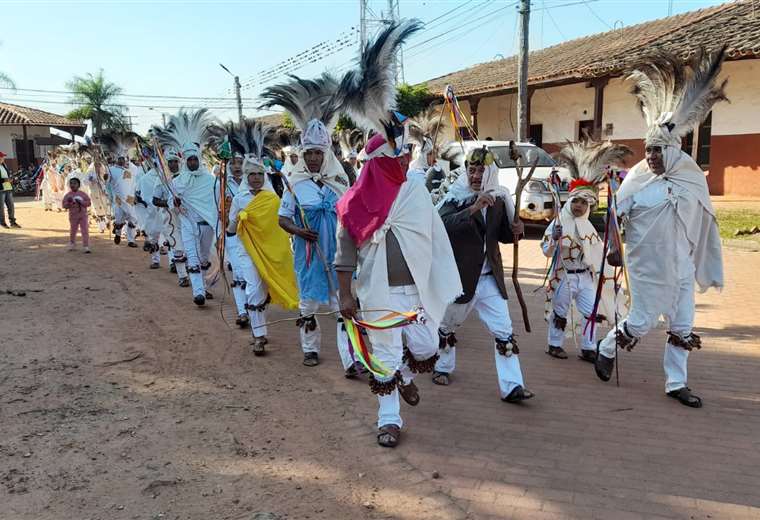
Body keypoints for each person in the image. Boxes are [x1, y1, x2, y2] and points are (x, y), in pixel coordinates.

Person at [336, 18, 462, 447]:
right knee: (385, 353)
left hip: (416, 289)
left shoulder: (414, 191)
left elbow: (433, 238)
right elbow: (346, 246)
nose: (400, 161)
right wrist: (345, 293)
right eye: (389, 158)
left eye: (401, 155)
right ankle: (389, 419)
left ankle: (408, 372)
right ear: (372, 162)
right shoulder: (357, 196)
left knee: (426, 346)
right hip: (377, 291)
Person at [594, 47, 726, 409]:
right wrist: (614, 246)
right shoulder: (636, 182)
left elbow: (706, 220)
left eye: (657, 151)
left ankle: (676, 383)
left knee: (682, 325)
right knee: (641, 321)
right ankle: (607, 348)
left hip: (681, 265)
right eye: (648, 150)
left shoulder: (690, 178)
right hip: (648, 265)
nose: (651, 157)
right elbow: (614, 217)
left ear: (672, 151)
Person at [262, 76, 353, 371]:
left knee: (343, 306)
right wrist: (300, 231)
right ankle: (310, 350)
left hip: (338, 254)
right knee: (309, 306)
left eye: (318, 153)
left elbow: (350, 217)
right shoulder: (294, 184)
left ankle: (350, 360)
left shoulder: (340, 182)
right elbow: (282, 218)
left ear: (326, 154)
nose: (314, 158)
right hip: (309, 253)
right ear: (302, 154)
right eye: (309, 153)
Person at [431, 146, 533, 403]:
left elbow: (503, 236)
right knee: (447, 326)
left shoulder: (499, 199)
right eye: (471, 170)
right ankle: (442, 367)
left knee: (504, 331)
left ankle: (512, 387)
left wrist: (516, 230)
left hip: (489, 279)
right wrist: (473, 208)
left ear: (491, 173)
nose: (475, 176)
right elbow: (443, 226)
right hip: (461, 277)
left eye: (481, 170)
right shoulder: (454, 196)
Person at [542, 141, 631, 361]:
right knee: (560, 312)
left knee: (591, 312)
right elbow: (546, 250)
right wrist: (554, 241)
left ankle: (588, 348)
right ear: (570, 200)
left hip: (585, 277)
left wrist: (613, 253)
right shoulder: (559, 222)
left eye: (583, 202)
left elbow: (598, 254)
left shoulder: (590, 226)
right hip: (564, 276)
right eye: (576, 201)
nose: (579, 206)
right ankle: (555, 344)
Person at [228, 155, 300, 354]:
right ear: (246, 176)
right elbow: (231, 229)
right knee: (254, 288)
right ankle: (258, 335)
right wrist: (240, 219)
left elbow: (279, 226)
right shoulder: (239, 199)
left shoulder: (272, 197)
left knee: (267, 285)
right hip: (247, 251)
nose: (256, 178)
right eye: (252, 174)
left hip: (270, 250)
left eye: (260, 174)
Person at [151, 148, 189, 287]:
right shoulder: (161, 179)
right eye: (170, 162)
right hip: (170, 217)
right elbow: (155, 200)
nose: (173, 164)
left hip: (186, 216)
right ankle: (183, 276)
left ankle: (192, 271)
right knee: (177, 245)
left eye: (175, 162)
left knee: (190, 245)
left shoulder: (186, 177)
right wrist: (169, 202)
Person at [108, 154, 139, 247]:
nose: (122, 161)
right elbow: (106, 182)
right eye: (120, 159)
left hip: (130, 198)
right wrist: (106, 176)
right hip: (119, 200)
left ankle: (131, 240)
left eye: (123, 159)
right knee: (119, 219)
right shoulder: (111, 170)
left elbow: (135, 181)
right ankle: (118, 233)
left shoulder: (131, 169)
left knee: (133, 217)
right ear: (116, 159)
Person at [62, 176, 92, 253]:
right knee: (73, 230)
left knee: (84, 230)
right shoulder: (68, 195)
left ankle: (86, 246)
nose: (72, 185)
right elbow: (64, 205)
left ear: (78, 185)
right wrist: (69, 203)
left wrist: (82, 202)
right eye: (71, 183)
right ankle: (72, 244)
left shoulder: (83, 194)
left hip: (83, 215)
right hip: (73, 216)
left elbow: (89, 203)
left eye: (74, 183)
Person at [0, 152, 20, 228]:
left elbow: (7, 175)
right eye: (2, 157)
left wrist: (10, 179)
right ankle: (2, 223)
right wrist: (4, 180)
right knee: (1, 208)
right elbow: (3, 179)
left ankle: (12, 222)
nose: (3, 158)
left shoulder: (4, 165)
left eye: (3, 157)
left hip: (8, 188)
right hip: (1, 189)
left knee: (11, 206)